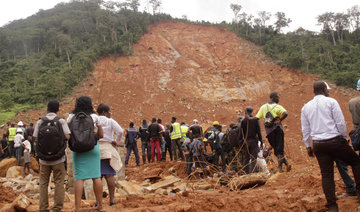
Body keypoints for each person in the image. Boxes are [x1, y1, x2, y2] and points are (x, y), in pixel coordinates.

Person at [301, 81, 360, 211]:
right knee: (356, 162)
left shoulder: (306, 107)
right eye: (327, 89)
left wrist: (308, 147)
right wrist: (344, 139)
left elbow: (305, 129)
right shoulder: (331, 102)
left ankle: (332, 206)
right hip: (335, 141)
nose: (328, 91)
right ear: (323, 89)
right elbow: (340, 123)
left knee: (326, 174)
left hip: (318, 145)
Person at [67, 96, 104, 212]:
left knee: (79, 178)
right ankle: (100, 206)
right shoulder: (94, 117)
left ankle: (77, 208)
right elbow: (101, 135)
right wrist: (93, 138)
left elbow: (68, 134)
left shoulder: (71, 117)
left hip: (78, 150)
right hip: (92, 148)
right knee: (96, 177)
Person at [33, 100, 71, 212]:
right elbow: (68, 136)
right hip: (58, 159)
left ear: (47, 109)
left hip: (44, 159)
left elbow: (35, 137)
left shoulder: (40, 122)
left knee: (43, 183)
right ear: (58, 109)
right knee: (59, 182)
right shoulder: (61, 121)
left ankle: (43, 208)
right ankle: (57, 208)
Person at [256, 92, 291, 172]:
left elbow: (257, 117)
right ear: (273, 97)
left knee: (276, 149)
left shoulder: (263, 107)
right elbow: (286, 113)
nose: (278, 99)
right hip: (277, 129)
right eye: (278, 97)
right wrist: (280, 120)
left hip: (269, 132)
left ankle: (286, 164)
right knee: (280, 149)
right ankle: (280, 168)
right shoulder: (277, 106)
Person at [97, 103, 123, 206]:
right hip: (107, 148)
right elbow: (120, 131)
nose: (110, 114)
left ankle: (98, 201)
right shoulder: (110, 121)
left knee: (97, 177)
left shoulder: (95, 120)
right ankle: (112, 200)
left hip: (96, 149)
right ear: (104, 112)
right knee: (109, 175)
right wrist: (116, 141)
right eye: (109, 112)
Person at [240, 106, 263, 174]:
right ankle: (252, 173)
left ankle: (245, 173)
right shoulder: (255, 120)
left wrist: (241, 142)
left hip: (246, 142)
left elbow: (240, 133)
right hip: (254, 141)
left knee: (246, 158)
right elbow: (259, 131)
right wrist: (261, 141)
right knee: (253, 158)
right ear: (252, 111)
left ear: (245, 112)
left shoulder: (243, 121)